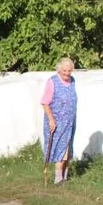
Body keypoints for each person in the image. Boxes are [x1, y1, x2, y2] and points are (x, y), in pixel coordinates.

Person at [40, 57, 77, 185]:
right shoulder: (52, 82)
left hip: (69, 122)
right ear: (59, 70)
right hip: (56, 122)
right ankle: (58, 179)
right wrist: (51, 120)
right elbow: (45, 103)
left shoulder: (72, 81)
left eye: (69, 71)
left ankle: (64, 177)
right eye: (64, 71)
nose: (67, 73)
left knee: (67, 148)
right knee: (58, 148)